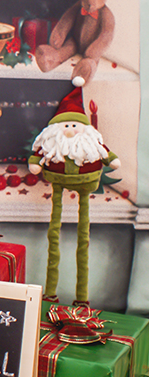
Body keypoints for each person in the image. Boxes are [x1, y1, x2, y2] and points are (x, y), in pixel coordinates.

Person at [29, 87, 120, 305]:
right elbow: (36, 157)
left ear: (84, 128)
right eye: (66, 125)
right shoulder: (51, 144)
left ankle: (81, 299)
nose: (70, 130)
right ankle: (50, 294)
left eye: (73, 125)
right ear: (56, 129)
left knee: (83, 238)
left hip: (86, 185)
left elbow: (107, 155)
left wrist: (112, 160)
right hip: (57, 183)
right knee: (54, 236)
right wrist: (35, 164)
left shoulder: (92, 143)